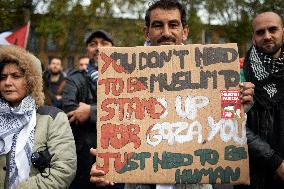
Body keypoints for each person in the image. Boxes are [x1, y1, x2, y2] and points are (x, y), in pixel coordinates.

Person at [89, 0, 254, 189]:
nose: (166, 33)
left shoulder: (211, 72)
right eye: (158, 25)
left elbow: (225, 130)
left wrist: (240, 107)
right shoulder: (125, 77)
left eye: (173, 25)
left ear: (185, 31)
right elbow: (119, 136)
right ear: (147, 32)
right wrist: (106, 168)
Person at [0, 45, 77, 189]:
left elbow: (63, 170)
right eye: (2, 77)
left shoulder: (53, 118)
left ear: (30, 80)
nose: (7, 82)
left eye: (16, 76)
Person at [235, 12, 284, 189]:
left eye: (273, 29)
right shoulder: (237, 73)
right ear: (253, 38)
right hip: (251, 174)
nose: (267, 36)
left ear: (283, 32)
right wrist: (274, 161)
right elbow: (230, 122)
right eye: (260, 32)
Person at [62, 29, 114, 189]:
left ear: (114, 48)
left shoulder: (126, 77)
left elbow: (131, 108)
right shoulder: (75, 78)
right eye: (93, 44)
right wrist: (111, 111)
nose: (98, 48)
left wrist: (90, 111)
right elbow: (70, 108)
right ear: (87, 50)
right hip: (82, 157)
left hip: (115, 155)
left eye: (104, 43)